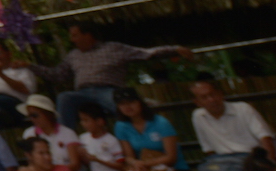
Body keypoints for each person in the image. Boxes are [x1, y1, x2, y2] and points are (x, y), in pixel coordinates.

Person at [47, 22, 192, 132]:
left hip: (108, 90)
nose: (72, 40)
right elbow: (57, 74)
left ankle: (139, 136)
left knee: (123, 107)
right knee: (64, 98)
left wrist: (175, 49)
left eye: (75, 35)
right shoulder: (73, 55)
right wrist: (30, 67)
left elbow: (146, 53)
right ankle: (65, 141)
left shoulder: (113, 48)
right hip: (81, 93)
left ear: (88, 35)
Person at [189, 76, 276, 171]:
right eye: (204, 97)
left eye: (213, 94)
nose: (211, 100)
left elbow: (266, 138)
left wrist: (271, 166)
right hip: (228, 164)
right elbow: (209, 150)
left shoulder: (242, 108)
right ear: (197, 102)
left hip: (256, 159)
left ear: (221, 94)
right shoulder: (198, 116)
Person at [113, 88, 183, 171]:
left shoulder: (161, 123)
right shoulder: (120, 126)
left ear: (140, 102)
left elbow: (171, 157)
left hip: (172, 169)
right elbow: (129, 156)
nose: (127, 106)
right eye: (122, 104)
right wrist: (135, 163)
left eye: (131, 102)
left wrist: (145, 164)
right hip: (143, 170)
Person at [75, 102, 135, 171]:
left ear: (100, 122)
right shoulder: (83, 138)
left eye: (87, 120)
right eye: (82, 120)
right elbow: (87, 163)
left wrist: (98, 160)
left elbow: (121, 166)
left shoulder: (111, 140)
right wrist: (82, 156)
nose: (83, 124)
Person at [0, 41, 40, 119]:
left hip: (12, 101)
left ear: (9, 53)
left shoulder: (21, 69)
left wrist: (0, 73)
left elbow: (26, 90)